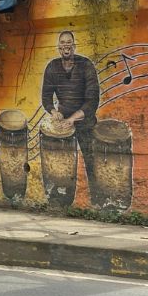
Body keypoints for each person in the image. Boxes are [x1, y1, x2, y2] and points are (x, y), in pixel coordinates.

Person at [40, 30, 100, 185]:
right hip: (62, 124)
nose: (66, 45)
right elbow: (46, 97)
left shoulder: (86, 65)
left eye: (69, 42)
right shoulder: (52, 67)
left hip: (84, 122)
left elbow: (92, 100)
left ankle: (95, 197)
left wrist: (73, 118)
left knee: (91, 161)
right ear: (58, 47)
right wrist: (54, 112)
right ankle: (62, 195)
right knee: (61, 165)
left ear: (74, 46)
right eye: (62, 42)